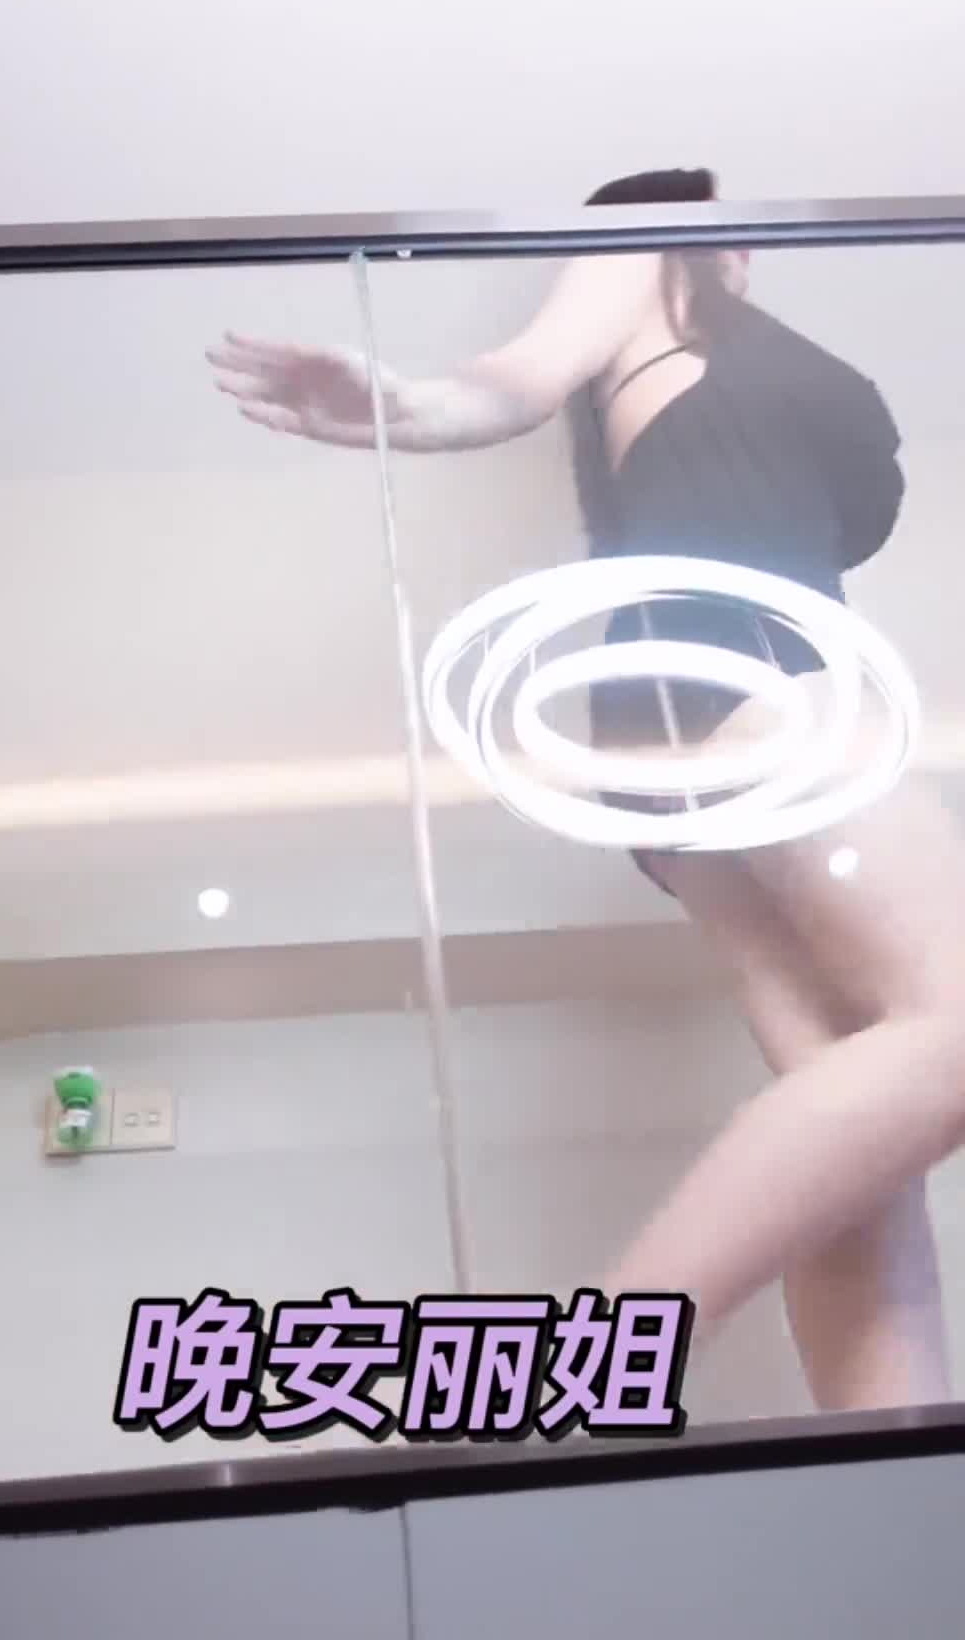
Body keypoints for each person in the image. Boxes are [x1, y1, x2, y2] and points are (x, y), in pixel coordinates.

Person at [206, 171, 965, 1414]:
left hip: (684, 705)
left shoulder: (710, 342)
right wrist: (406, 403)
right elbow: (518, 376)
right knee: (956, 1021)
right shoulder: (648, 260)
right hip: (749, 667)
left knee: (859, 1161)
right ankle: (592, 1356)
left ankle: (888, 1468)